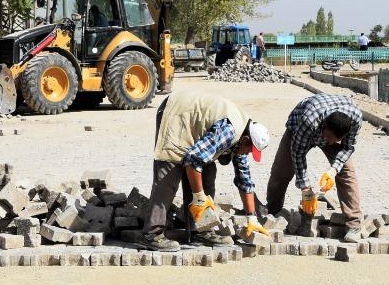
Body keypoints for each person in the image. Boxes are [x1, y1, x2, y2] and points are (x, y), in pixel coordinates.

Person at [140, 90, 270, 252]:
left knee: (207, 172)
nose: (248, 154)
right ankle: (152, 234)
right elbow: (193, 160)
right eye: (250, 150)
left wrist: (252, 218)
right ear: (246, 140)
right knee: (169, 174)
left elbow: (244, 179)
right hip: (177, 114)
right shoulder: (230, 131)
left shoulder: (243, 138)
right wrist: (199, 196)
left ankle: (199, 230)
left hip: (196, 125)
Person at [266, 94, 364, 240]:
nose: (330, 143)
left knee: (347, 173)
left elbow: (348, 147)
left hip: (326, 125)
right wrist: (306, 189)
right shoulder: (309, 121)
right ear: (323, 126)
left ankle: (354, 225)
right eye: (329, 138)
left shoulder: (355, 118)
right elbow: (297, 153)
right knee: (282, 171)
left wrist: (333, 169)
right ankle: (273, 213)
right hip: (297, 128)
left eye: (336, 140)